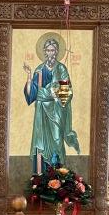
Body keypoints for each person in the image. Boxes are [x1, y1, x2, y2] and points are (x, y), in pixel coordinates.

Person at [23, 38, 80, 172]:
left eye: (53, 50)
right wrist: (29, 76)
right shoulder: (39, 69)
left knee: (57, 139)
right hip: (41, 112)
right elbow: (32, 93)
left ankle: (57, 173)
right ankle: (40, 175)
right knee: (41, 141)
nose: (50, 53)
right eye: (48, 50)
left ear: (56, 52)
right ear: (44, 52)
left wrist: (53, 94)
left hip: (56, 111)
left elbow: (67, 91)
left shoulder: (61, 69)